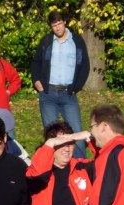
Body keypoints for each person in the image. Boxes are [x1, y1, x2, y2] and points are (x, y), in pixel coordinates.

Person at [32, 10, 90, 158]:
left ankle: (81, 166)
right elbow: (36, 62)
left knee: (76, 131)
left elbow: (85, 65)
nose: (57, 28)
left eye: (59, 24)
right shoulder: (46, 41)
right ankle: (54, 166)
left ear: (65, 22)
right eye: (54, 25)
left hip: (68, 94)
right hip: (48, 93)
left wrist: (76, 87)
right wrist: (36, 81)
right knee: (52, 133)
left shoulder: (76, 41)